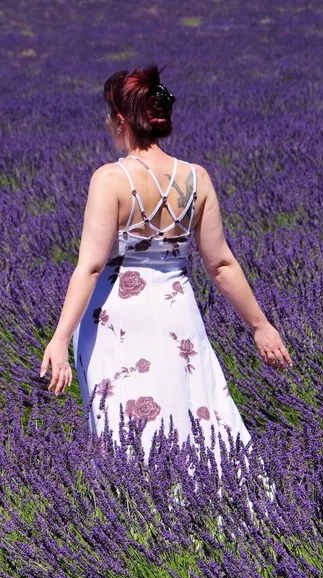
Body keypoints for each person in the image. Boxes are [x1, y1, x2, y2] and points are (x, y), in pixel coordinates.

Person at [39, 63, 292, 476]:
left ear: (121, 120)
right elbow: (222, 264)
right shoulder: (197, 179)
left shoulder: (110, 179)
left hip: (114, 317)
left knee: (122, 425)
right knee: (198, 409)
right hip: (179, 313)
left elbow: (90, 267)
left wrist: (60, 338)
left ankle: (142, 518)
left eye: (108, 115)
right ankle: (221, 508)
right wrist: (260, 326)